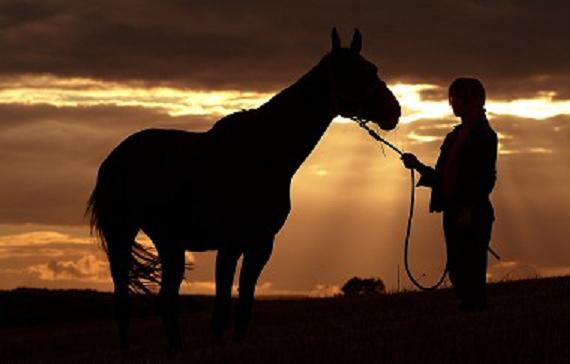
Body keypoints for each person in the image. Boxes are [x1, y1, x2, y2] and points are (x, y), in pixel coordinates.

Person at [401, 77, 497, 311]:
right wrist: (417, 166)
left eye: (457, 98)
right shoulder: (454, 136)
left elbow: (486, 179)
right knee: (457, 271)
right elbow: (444, 177)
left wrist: (469, 209)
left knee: (471, 273)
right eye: (452, 98)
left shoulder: (485, 135)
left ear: (474, 100)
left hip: (472, 213)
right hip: (454, 212)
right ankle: (472, 318)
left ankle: (477, 318)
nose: (452, 103)